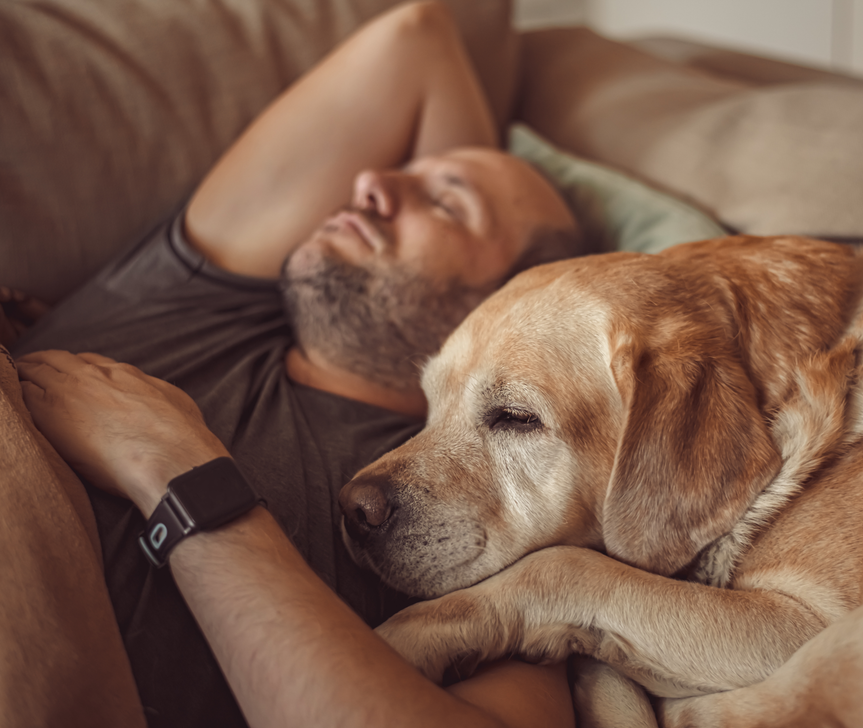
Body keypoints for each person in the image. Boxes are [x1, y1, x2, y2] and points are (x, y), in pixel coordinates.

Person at [1, 1, 585, 726]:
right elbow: (416, 38)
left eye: (445, 201)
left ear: (501, 306)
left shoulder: (478, 517)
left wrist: (178, 475)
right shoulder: (187, 299)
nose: (373, 181)